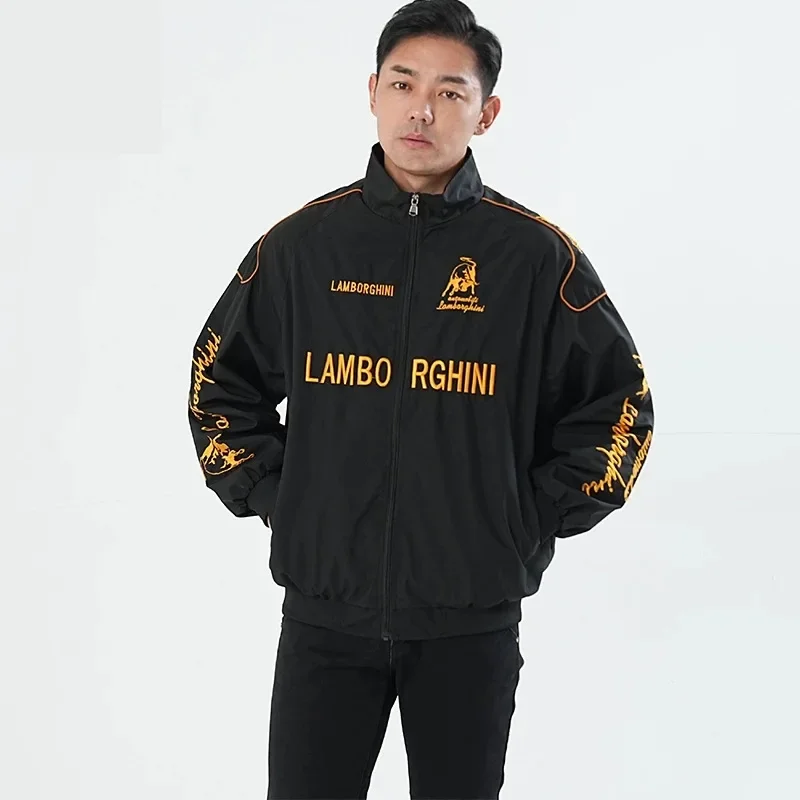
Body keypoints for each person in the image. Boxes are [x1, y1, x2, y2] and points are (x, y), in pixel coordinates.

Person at [186, 0, 655, 797]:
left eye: (450, 91)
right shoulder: (303, 247)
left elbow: (620, 406)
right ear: (373, 92)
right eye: (403, 84)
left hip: (470, 626)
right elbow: (218, 384)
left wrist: (521, 522)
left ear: (487, 113)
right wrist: (281, 499)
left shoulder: (535, 258)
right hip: (325, 620)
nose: (422, 109)